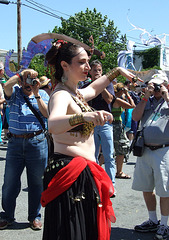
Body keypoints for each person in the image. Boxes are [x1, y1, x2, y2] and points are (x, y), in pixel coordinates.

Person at [41, 41, 136, 240]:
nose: (87, 67)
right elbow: (53, 124)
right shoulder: (61, 95)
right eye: (82, 62)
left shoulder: (76, 94)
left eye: (88, 62)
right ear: (65, 65)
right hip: (69, 173)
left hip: (83, 172)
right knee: (72, 232)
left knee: (85, 229)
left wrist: (117, 70)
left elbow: (94, 88)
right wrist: (85, 117)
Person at [0, 69, 49, 230]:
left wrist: (36, 93)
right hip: (15, 143)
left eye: (34, 80)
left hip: (37, 142)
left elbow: (47, 113)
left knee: (36, 183)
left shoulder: (43, 94)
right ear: (21, 81)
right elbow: (6, 85)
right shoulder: (14, 93)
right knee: (10, 182)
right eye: (28, 80)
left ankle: (34, 217)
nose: (30, 83)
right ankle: (7, 216)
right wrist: (22, 74)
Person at [132, 74, 169, 240]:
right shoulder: (147, 101)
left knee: (164, 190)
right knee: (146, 187)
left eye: (159, 86)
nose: (156, 89)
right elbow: (135, 117)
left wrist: (167, 96)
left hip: (163, 150)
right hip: (145, 150)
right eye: (153, 85)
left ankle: (164, 224)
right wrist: (145, 98)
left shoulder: (167, 101)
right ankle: (153, 220)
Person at [81, 60, 116, 193]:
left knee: (108, 155)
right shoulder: (87, 86)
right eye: (95, 70)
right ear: (90, 72)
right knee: (92, 155)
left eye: (99, 70)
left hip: (106, 123)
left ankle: (111, 185)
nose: (97, 72)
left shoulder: (108, 85)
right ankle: (94, 183)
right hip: (92, 124)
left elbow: (109, 100)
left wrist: (101, 86)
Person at [112, 82, 135, 179]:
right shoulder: (117, 100)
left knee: (108, 150)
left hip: (112, 125)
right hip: (116, 125)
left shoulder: (111, 99)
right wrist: (128, 94)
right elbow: (132, 105)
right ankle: (119, 171)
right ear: (121, 90)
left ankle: (97, 169)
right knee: (120, 149)